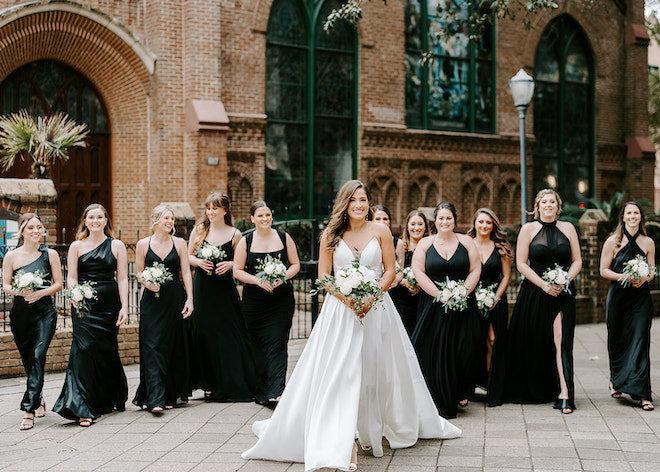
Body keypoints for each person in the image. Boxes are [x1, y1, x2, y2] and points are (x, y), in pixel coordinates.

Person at [242, 180, 461, 472]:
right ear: (344, 203)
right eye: (354, 200)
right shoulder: (331, 233)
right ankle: (345, 442)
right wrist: (347, 299)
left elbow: (390, 270)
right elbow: (323, 275)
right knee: (341, 374)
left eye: (364, 199)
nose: (359, 205)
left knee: (375, 373)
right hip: (341, 312)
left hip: (377, 310)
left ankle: (370, 429)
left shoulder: (381, 231)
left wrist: (372, 296)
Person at [505, 189, 582, 414]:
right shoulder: (528, 229)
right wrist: (544, 284)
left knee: (561, 341)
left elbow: (577, 260)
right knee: (536, 339)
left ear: (558, 206)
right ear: (537, 206)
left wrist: (565, 279)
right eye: (544, 202)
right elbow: (521, 263)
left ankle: (565, 394)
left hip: (563, 292)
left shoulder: (568, 228)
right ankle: (540, 388)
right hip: (535, 291)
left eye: (552, 202)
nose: (548, 205)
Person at [53, 203, 129, 426]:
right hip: (83, 306)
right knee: (83, 350)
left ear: (106, 220)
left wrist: (125, 307)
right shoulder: (76, 246)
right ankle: (81, 406)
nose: (95, 221)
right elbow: (72, 276)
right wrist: (75, 294)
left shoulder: (117, 245)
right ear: (85, 221)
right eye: (91, 217)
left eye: (100, 217)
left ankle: (107, 397)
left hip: (108, 305)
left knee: (105, 350)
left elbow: (123, 278)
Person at [411, 202, 482, 418]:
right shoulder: (425, 243)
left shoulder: (467, 241)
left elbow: (475, 269)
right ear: (435, 221)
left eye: (448, 218)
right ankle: (438, 395)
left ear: (455, 220)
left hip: (463, 304)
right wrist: (439, 295)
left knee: (465, 347)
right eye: (441, 218)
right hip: (434, 304)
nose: (445, 222)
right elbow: (418, 271)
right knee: (436, 348)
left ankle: (461, 389)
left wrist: (462, 293)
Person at [187, 192, 256, 402]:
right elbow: (188, 256)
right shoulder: (199, 230)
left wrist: (230, 264)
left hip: (224, 289)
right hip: (203, 287)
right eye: (208, 208)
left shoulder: (235, 234)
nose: (211, 212)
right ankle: (207, 383)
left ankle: (228, 381)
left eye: (215, 208)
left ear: (225, 210)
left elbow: (243, 262)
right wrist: (198, 262)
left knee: (227, 332)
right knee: (203, 332)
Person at [233, 201, 300, 407]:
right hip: (254, 301)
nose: (265, 219)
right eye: (260, 216)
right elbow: (237, 270)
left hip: (281, 299)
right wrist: (257, 280)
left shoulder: (284, 237)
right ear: (252, 218)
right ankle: (261, 390)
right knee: (258, 345)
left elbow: (295, 264)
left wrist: (283, 277)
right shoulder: (246, 241)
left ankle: (277, 391)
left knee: (277, 343)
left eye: (268, 215)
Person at [2, 213, 63, 430]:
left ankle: (28, 409)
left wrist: (41, 293)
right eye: (31, 228)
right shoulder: (11, 256)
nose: (36, 231)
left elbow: (59, 284)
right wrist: (21, 290)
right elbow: (6, 285)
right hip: (21, 315)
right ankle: (38, 397)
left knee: (38, 355)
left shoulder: (50, 254)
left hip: (44, 312)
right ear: (22, 231)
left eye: (39, 227)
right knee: (29, 360)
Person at [133, 205, 194, 412]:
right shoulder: (143, 244)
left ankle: (169, 395)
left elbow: (186, 272)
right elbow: (139, 272)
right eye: (166, 218)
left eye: (172, 219)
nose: (170, 222)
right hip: (152, 301)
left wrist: (190, 299)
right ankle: (155, 398)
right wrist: (146, 283)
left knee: (172, 345)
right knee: (152, 346)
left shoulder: (179, 243)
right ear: (155, 220)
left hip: (174, 297)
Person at [600, 201, 654, 411]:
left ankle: (642, 394)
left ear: (640, 217)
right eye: (629, 213)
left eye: (636, 213)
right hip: (618, 299)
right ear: (623, 217)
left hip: (640, 299)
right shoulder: (613, 242)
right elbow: (603, 270)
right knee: (618, 340)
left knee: (641, 340)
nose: (633, 216)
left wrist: (644, 278)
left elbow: (651, 270)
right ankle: (617, 381)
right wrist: (623, 276)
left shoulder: (648, 242)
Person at [467, 208, 511, 407]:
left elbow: (507, 276)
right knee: (476, 341)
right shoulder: (467, 245)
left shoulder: (500, 247)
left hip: (495, 301)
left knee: (493, 341)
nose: (484, 226)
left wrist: (496, 297)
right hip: (472, 301)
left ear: (493, 226)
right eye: (481, 222)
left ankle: (493, 389)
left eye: (488, 223)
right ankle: (473, 384)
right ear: (474, 223)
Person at [389, 210, 429, 335]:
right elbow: (392, 270)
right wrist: (404, 281)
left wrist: (421, 284)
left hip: (424, 298)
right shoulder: (400, 247)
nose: (416, 228)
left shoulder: (431, 248)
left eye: (420, 224)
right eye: (413, 224)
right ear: (407, 227)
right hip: (402, 300)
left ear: (425, 227)